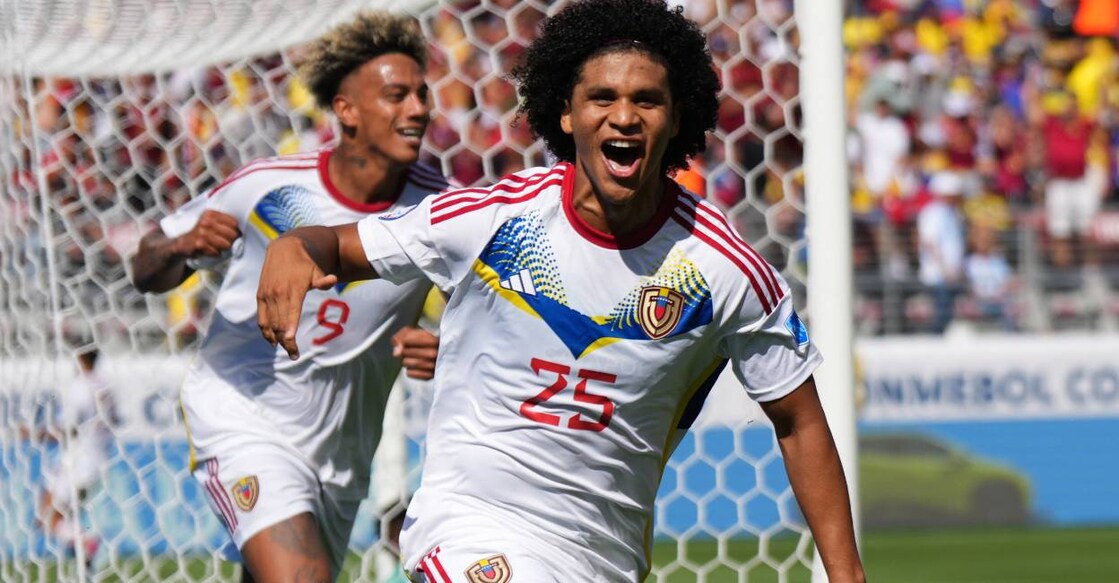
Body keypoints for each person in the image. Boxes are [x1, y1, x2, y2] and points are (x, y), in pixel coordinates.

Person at [255, 1, 865, 581]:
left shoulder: (723, 267)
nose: (623, 116)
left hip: (604, 554)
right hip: (468, 522)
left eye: (646, 100)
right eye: (602, 97)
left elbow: (798, 421)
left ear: (677, 118)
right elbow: (337, 245)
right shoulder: (494, 218)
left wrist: (846, 573)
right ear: (566, 113)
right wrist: (295, 247)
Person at [129, 12, 448, 582]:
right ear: (346, 110)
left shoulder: (439, 212)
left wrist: (446, 346)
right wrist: (180, 244)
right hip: (243, 415)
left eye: (422, 94)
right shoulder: (267, 185)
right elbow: (144, 268)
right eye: (397, 96)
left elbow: (493, 318)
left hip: (343, 454)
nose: (419, 109)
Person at [38, 347, 118, 567]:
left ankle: (88, 543)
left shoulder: (80, 387)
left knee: (47, 514)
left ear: (80, 358)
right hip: (99, 460)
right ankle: (84, 555)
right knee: (59, 514)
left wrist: (36, 433)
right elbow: (115, 420)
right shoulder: (105, 387)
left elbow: (67, 428)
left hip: (78, 461)